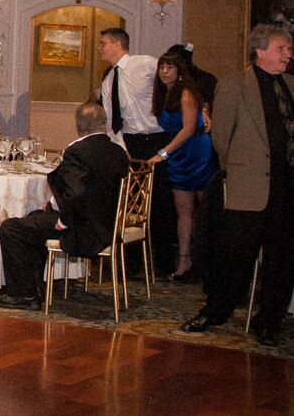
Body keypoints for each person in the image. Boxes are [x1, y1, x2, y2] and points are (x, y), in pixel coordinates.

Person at [181, 24, 294, 347]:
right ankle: (215, 311)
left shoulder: (290, 85)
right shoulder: (234, 86)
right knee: (235, 258)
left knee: (282, 259)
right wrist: (242, 170)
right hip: (248, 186)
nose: (288, 54)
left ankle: (268, 321)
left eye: (288, 49)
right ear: (260, 52)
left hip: (287, 188)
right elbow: (221, 138)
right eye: (281, 48)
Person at [0, 99, 129, 306]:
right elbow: (94, 189)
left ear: (78, 125)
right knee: (34, 219)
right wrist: (52, 205)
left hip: (84, 230)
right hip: (109, 225)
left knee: (11, 228)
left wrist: (64, 220)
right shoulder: (118, 152)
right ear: (104, 124)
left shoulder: (78, 151)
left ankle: (23, 293)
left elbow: (75, 194)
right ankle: (34, 288)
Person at [98, 26, 174, 274]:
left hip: (156, 137)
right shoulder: (108, 80)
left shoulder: (145, 64)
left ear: (117, 44)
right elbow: (112, 121)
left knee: (159, 200)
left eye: (103, 44)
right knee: (129, 202)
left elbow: (171, 81)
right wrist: (121, 149)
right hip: (130, 142)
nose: (100, 48)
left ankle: (162, 262)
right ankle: (130, 262)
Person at [150, 50, 214, 280]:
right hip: (178, 152)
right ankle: (184, 259)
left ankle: (208, 262)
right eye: (162, 67)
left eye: (170, 68)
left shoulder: (185, 93)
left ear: (179, 72)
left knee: (206, 209)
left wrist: (162, 154)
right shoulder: (162, 94)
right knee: (183, 211)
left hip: (195, 150)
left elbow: (187, 129)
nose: (165, 72)